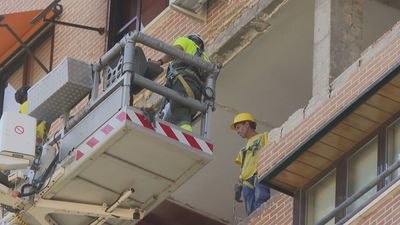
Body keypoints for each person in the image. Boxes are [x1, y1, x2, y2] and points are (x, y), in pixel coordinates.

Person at [150, 34, 210, 132]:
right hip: (197, 94)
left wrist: (160, 62)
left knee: (180, 113)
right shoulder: (206, 58)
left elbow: (174, 52)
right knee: (182, 115)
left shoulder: (185, 41)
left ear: (191, 39)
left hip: (182, 83)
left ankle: (186, 138)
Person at [231, 112, 270, 215]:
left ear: (247, 124)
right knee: (251, 213)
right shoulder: (243, 150)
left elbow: (270, 151)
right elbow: (243, 169)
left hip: (259, 175)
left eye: (239, 127)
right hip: (247, 183)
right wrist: (239, 184)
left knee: (261, 206)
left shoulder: (263, 137)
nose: (237, 131)